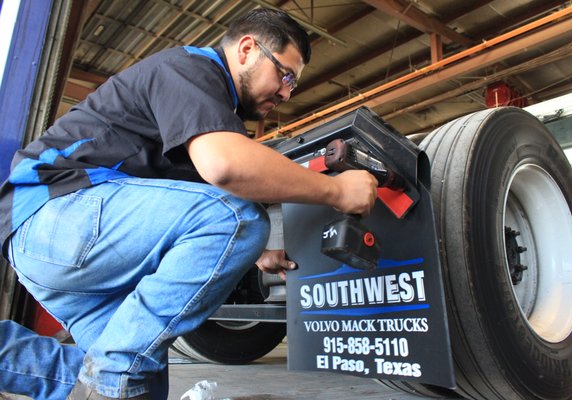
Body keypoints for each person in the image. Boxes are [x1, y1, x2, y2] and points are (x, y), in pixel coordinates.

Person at [0, 8, 377, 399]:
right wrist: (336, 190)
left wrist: (254, 255)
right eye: (285, 76)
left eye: (292, 87)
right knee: (236, 217)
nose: (285, 93)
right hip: (54, 212)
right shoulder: (193, 69)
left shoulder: (202, 118)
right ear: (247, 49)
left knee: (136, 391)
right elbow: (226, 168)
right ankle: (109, 380)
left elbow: (177, 214)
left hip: (48, 248)